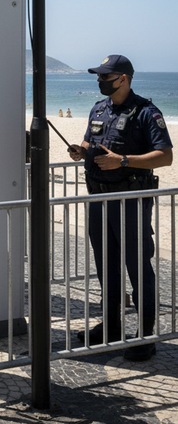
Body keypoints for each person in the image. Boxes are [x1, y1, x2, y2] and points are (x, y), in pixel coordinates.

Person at [69, 54, 172, 361]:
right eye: (99, 77)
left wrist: (124, 161)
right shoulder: (98, 108)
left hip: (130, 201)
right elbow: (91, 143)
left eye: (105, 77)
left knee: (137, 267)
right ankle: (112, 326)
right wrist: (80, 150)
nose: (100, 82)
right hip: (99, 200)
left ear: (123, 79)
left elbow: (165, 156)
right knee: (106, 265)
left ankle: (145, 333)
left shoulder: (146, 112)